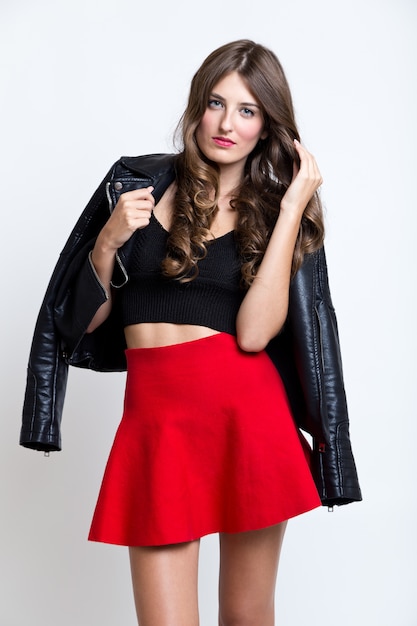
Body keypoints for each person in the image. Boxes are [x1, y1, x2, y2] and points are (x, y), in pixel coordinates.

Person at [21, 39, 361, 625]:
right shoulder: (134, 187)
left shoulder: (272, 212)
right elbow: (79, 323)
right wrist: (106, 243)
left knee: (246, 616)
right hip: (156, 425)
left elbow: (255, 335)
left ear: (266, 126)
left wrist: (290, 209)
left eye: (248, 110)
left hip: (247, 422)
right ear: (196, 107)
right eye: (216, 103)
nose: (227, 123)